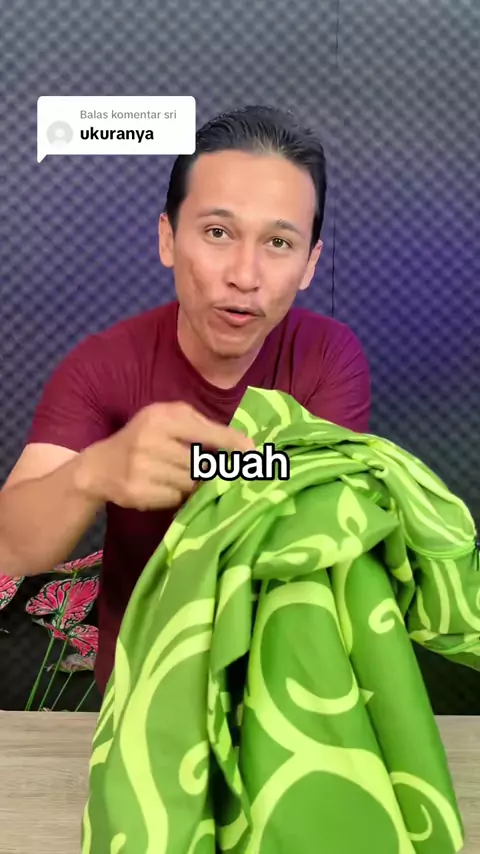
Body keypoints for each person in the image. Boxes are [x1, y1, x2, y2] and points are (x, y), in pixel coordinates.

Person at [0, 104, 371, 694]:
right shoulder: (103, 366)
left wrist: (202, 469)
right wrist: (94, 472)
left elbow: (324, 538)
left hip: (282, 685)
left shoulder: (328, 357)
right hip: (139, 690)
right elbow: (10, 547)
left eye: (279, 242)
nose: (244, 275)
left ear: (310, 265)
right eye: (218, 233)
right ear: (168, 239)